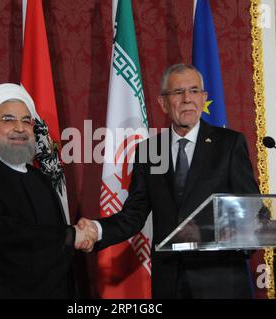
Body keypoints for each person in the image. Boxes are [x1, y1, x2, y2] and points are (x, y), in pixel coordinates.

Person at [76, 64, 260, 298]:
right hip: (169, 282)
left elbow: (253, 211)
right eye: (178, 92)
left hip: (220, 280)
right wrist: (97, 230)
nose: (187, 99)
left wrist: (221, 235)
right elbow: (134, 214)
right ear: (163, 103)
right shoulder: (150, 151)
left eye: (194, 91)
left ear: (203, 98)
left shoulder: (229, 144)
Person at [0, 83, 94, 298]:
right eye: (8, 120)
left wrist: (78, 237)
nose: (20, 128)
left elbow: (59, 246)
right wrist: (72, 235)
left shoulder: (42, 180)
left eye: (26, 121)